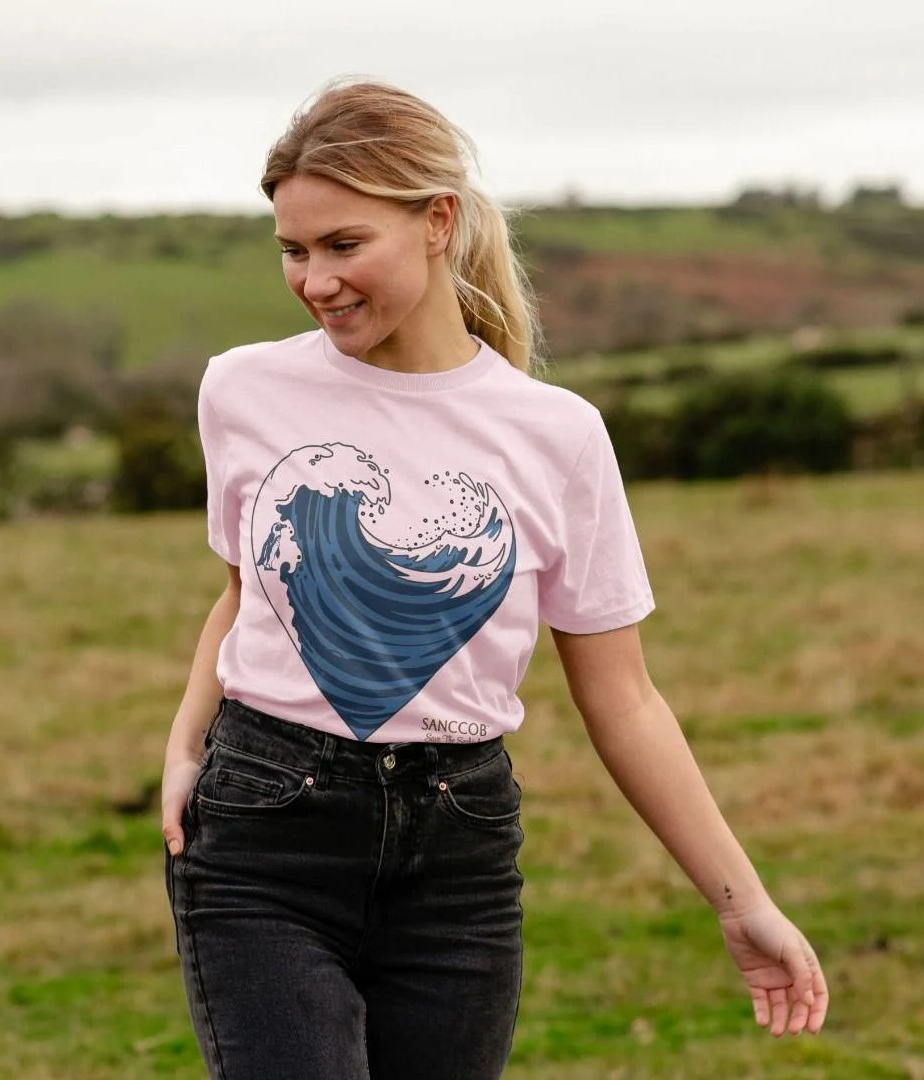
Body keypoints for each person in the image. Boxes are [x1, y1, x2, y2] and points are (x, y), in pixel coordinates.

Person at [161, 78, 829, 1080]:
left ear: (438, 221)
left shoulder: (558, 435)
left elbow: (626, 699)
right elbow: (245, 595)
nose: (315, 281)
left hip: (458, 860)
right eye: (293, 251)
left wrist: (744, 903)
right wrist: (185, 749)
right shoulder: (243, 388)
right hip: (265, 834)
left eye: (344, 245)